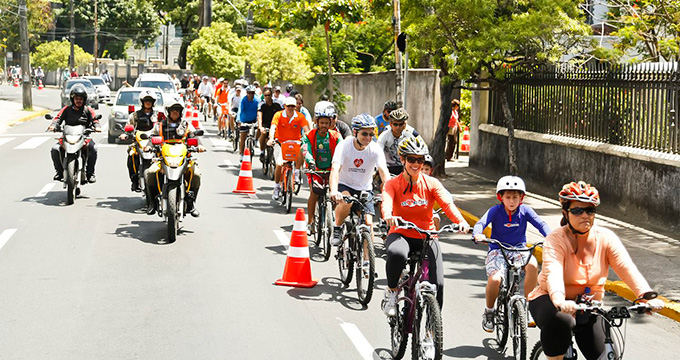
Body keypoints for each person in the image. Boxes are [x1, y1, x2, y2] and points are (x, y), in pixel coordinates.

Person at [527, 181, 665, 360]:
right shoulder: (556, 239)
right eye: (577, 210)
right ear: (565, 213)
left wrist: (645, 295)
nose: (585, 215)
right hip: (550, 300)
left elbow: (626, 267)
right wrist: (560, 300)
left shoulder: (606, 238)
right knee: (563, 320)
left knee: (608, 356)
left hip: (589, 306)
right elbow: (553, 272)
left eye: (590, 210)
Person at [381, 136, 470, 315]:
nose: (416, 164)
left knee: (438, 285)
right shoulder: (392, 184)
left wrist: (461, 221)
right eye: (412, 159)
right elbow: (387, 202)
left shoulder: (431, 183)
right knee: (396, 254)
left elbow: (447, 204)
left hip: (426, 236)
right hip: (401, 233)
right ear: (402, 159)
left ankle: (431, 330)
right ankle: (391, 293)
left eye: (420, 160)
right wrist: (389, 216)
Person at [473, 176, 551, 332]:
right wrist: (478, 234)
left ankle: (529, 306)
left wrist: (551, 237)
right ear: (500, 197)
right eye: (508, 197)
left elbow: (541, 224)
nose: (511, 201)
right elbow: (480, 224)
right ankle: (489, 311)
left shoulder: (525, 210)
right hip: (498, 250)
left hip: (519, 249)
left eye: (515, 197)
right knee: (495, 279)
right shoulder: (495, 211)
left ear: (521, 198)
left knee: (533, 264)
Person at [329, 114, 390, 247]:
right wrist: (334, 191)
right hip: (345, 185)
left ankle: (367, 262)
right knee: (346, 202)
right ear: (355, 132)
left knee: (368, 223)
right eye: (364, 134)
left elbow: (383, 171)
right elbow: (335, 169)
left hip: (364, 188)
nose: (368, 138)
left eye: (371, 134)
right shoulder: (344, 145)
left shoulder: (375, 149)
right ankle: (337, 228)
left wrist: (389, 192)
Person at [144, 100, 206, 216]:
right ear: (168, 111)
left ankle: (191, 203)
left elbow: (194, 136)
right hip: (163, 159)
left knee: (196, 174)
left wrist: (200, 145)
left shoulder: (186, 125)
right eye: (172, 109)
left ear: (181, 112)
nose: (175, 112)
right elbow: (152, 137)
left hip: (184, 160)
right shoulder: (160, 125)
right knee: (150, 172)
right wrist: (149, 146)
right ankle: (152, 203)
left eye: (177, 110)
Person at [47, 84, 101, 183]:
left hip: (84, 137)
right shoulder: (66, 109)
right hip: (67, 136)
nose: (78, 101)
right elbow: (57, 119)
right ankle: (59, 172)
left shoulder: (88, 110)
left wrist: (97, 127)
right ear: (72, 99)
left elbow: (95, 120)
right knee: (55, 149)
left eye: (80, 99)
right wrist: (53, 126)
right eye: (76, 98)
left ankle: (90, 173)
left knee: (93, 148)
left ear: (84, 99)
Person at [303, 101, 342, 234]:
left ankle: (335, 222)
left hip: (332, 171)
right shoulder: (309, 135)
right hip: (316, 170)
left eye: (327, 123)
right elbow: (305, 150)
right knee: (314, 194)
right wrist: (311, 161)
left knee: (335, 195)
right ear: (317, 122)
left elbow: (342, 150)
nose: (324, 126)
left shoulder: (336, 136)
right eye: (322, 123)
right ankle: (310, 223)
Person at [267, 97, 310, 200]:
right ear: (284, 106)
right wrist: (271, 138)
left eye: (293, 106)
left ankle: (296, 173)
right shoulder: (278, 115)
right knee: (279, 163)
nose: (290, 108)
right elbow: (273, 127)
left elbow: (306, 129)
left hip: (295, 143)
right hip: (280, 143)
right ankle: (277, 187)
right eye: (288, 106)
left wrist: (308, 139)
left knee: (301, 149)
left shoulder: (299, 116)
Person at [119, 90, 159, 193]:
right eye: (146, 100)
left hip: (154, 141)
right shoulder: (135, 115)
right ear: (142, 101)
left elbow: (164, 126)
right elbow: (129, 126)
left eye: (150, 100)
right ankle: (134, 180)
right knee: (131, 154)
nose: (148, 102)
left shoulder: (158, 115)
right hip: (138, 141)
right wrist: (126, 133)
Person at [377, 108, 421, 176]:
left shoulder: (410, 134)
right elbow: (378, 152)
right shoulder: (384, 135)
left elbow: (421, 149)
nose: (398, 127)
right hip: (388, 167)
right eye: (395, 124)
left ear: (405, 124)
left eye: (401, 124)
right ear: (391, 124)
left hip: (405, 167)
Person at [257, 88, 284, 162]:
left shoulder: (277, 104)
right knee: (263, 133)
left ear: (271, 95)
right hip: (265, 124)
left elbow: (282, 115)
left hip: (275, 125)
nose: (267, 97)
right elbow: (259, 116)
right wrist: (260, 127)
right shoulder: (262, 104)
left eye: (269, 95)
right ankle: (262, 152)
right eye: (265, 95)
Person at [238, 85, 261, 160]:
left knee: (259, 129)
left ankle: (256, 140)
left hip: (254, 120)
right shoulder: (243, 100)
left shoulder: (257, 100)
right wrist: (238, 120)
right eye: (249, 93)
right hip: (244, 120)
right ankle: (241, 153)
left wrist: (259, 120)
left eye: (252, 93)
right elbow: (240, 110)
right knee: (243, 137)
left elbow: (260, 111)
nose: (250, 95)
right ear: (246, 93)